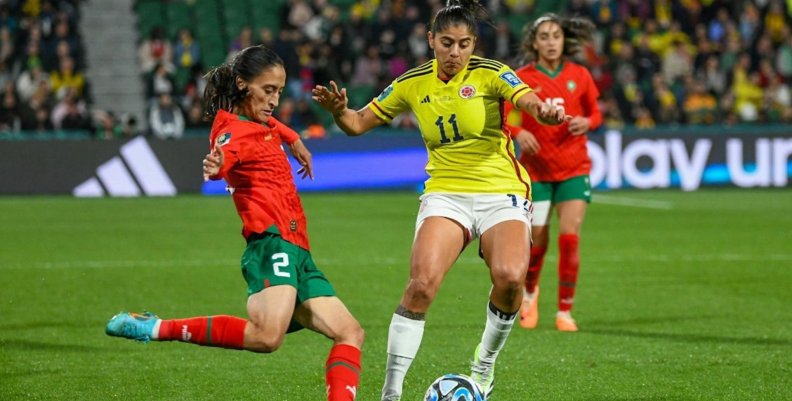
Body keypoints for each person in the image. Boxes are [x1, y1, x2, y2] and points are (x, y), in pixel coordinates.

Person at [312, 1, 568, 399]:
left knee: (511, 278)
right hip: (446, 193)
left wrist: (545, 112)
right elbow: (358, 123)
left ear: (474, 44)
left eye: (464, 44)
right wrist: (339, 111)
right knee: (420, 287)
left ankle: (484, 365)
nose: (455, 53)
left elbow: (526, 100)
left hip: (501, 190)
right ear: (431, 40)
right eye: (446, 43)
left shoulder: (491, 72)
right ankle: (391, 392)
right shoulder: (412, 83)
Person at [105, 45, 364, 401]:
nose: (275, 100)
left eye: (279, 91)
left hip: (298, 248)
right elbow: (227, 151)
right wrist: (217, 165)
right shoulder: (233, 130)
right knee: (267, 337)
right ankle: (155, 327)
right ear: (243, 85)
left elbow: (270, 124)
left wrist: (294, 138)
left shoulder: (257, 120)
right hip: (271, 242)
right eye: (268, 90)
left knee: (350, 332)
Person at [503, 13, 602, 332]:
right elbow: (504, 119)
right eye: (543, 36)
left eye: (555, 36)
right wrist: (520, 134)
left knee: (570, 238)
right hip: (537, 173)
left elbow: (595, 113)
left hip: (574, 169)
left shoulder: (580, 75)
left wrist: (587, 123)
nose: (550, 42)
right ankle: (530, 293)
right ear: (534, 42)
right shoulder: (521, 77)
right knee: (538, 239)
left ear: (563, 41)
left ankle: (564, 312)